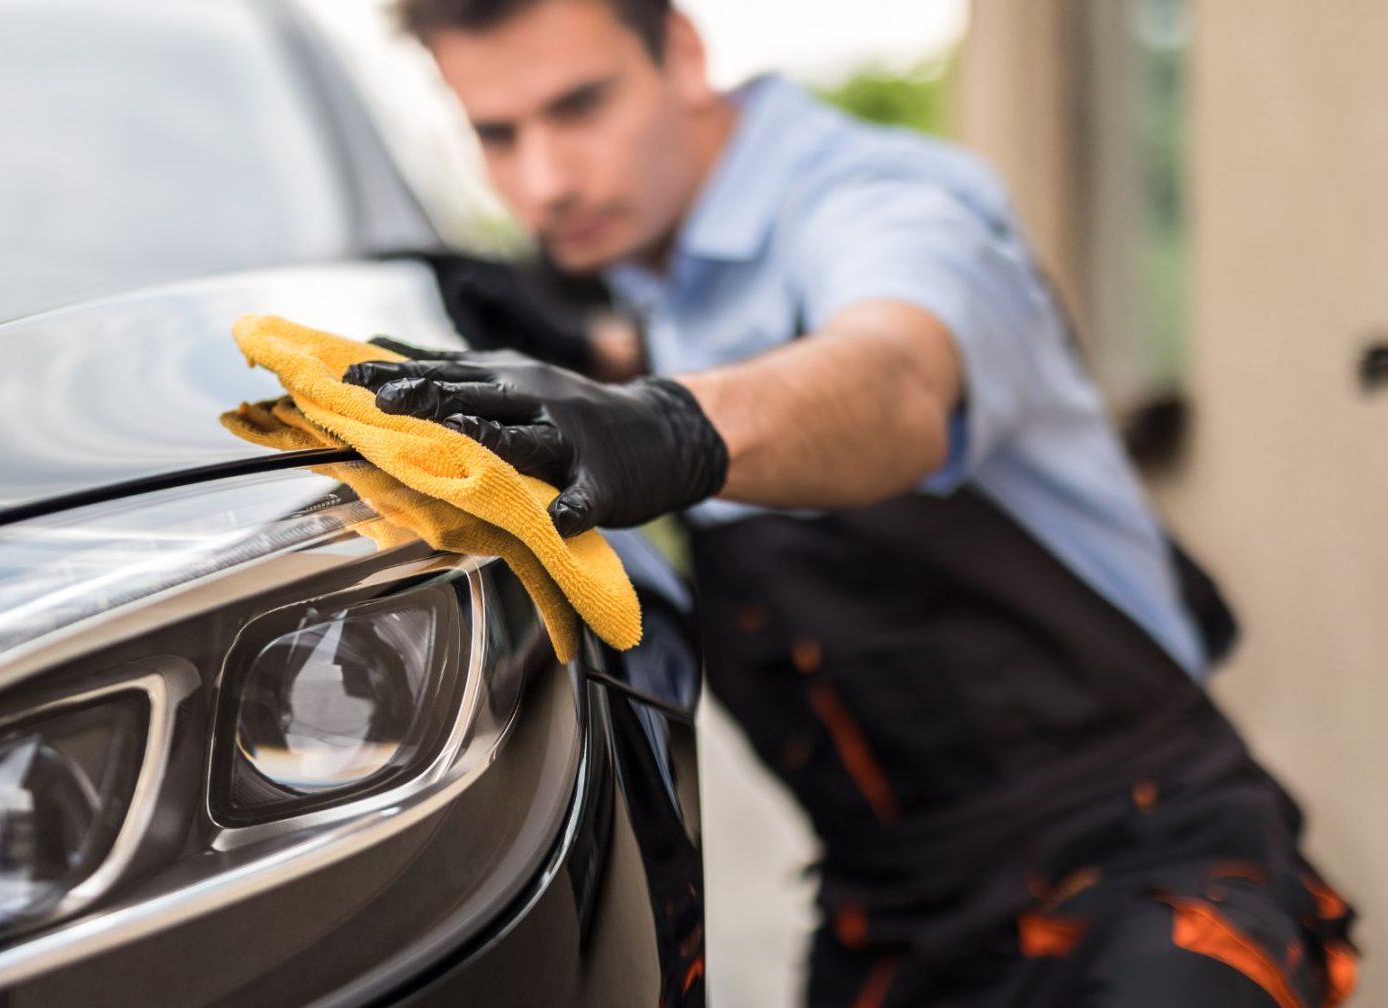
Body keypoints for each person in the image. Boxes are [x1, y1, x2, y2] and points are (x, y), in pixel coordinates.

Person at [345, 0, 1362, 1005]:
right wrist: (594, 356)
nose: (545, 182)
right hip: (893, 925)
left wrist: (670, 424)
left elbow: (894, 380)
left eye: (580, 107)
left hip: (1142, 873)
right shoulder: (656, 276)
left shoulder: (880, 199)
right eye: (496, 133)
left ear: (683, 53)